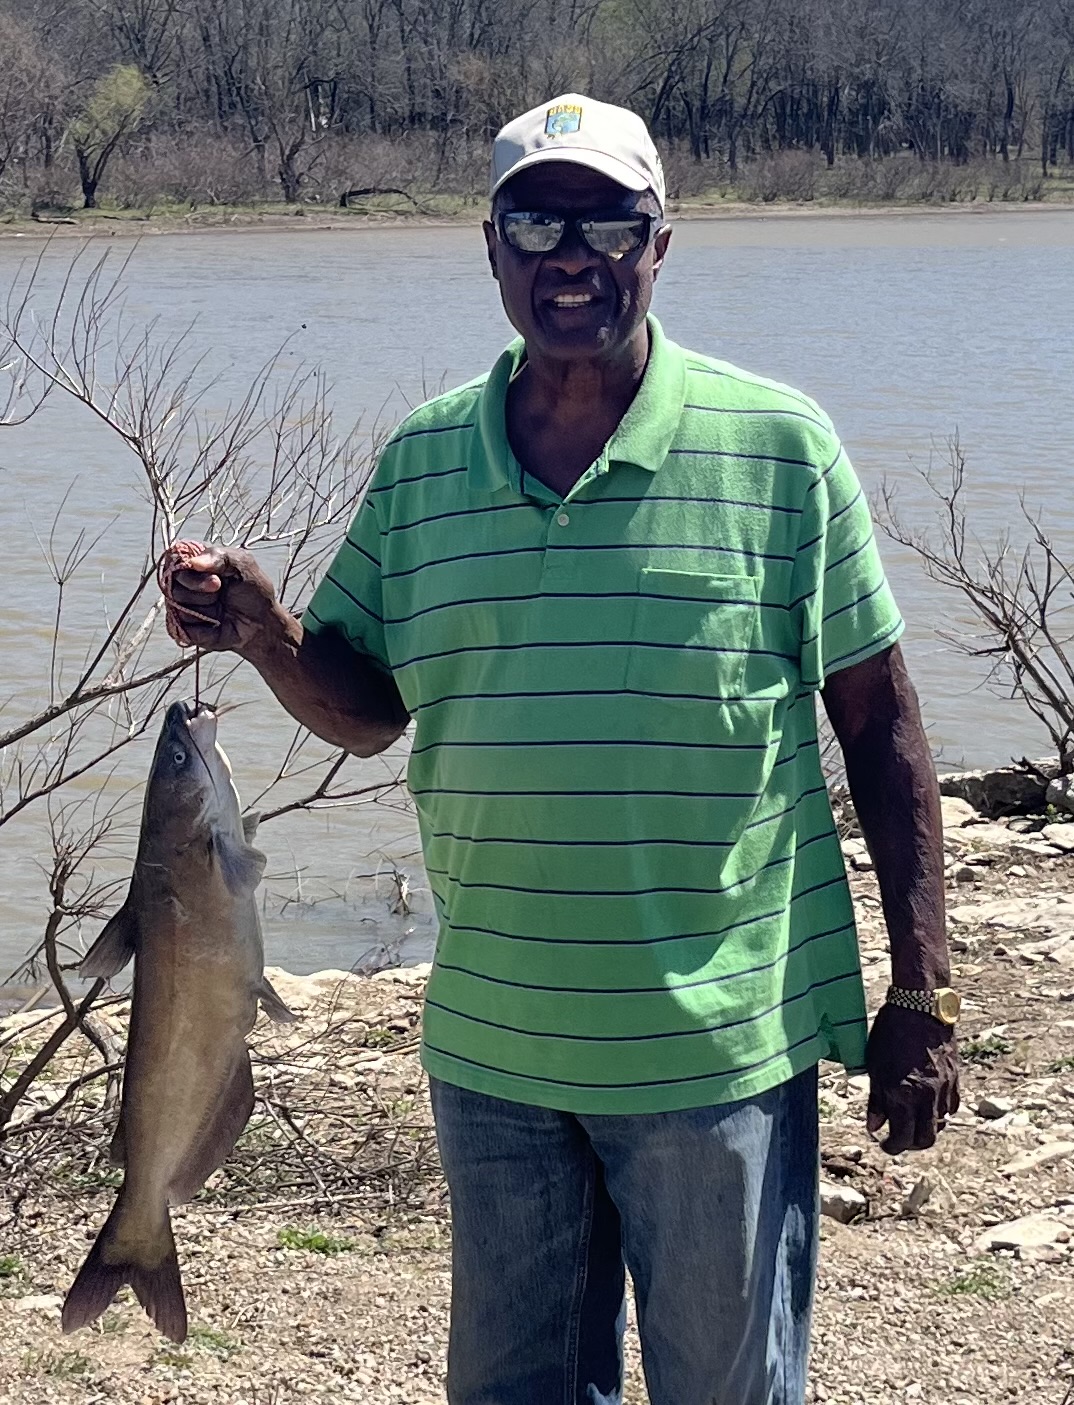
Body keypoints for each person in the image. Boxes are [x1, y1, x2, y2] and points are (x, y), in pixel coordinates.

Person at [165, 94, 960, 1405]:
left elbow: (881, 725)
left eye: (609, 225)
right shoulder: (425, 461)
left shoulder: (781, 449)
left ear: (662, 245)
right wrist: (264, 633)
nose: (572, 255)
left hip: (716, 1056)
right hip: (496, 1049)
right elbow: (367, 709)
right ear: (492, 248)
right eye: (537, 223)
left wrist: (923, 991)